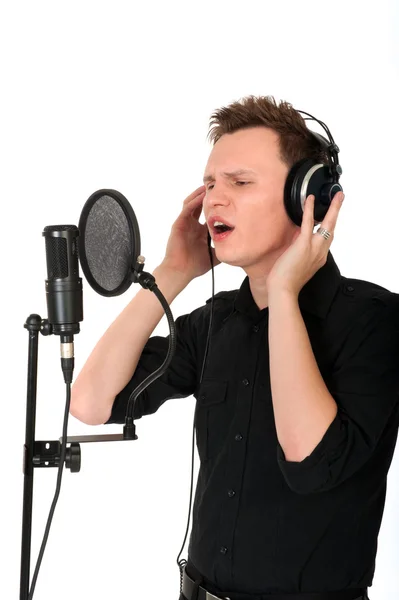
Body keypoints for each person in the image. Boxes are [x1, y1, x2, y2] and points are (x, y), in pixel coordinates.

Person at [70, 96, 399, 600]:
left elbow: (311, 464)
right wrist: (172, 273)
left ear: (305, 196)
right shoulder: (214, 323)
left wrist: (285, 294)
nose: (213, 201)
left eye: (240, 183)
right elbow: (91, 404)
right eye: (209, 184)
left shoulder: (376, 322)